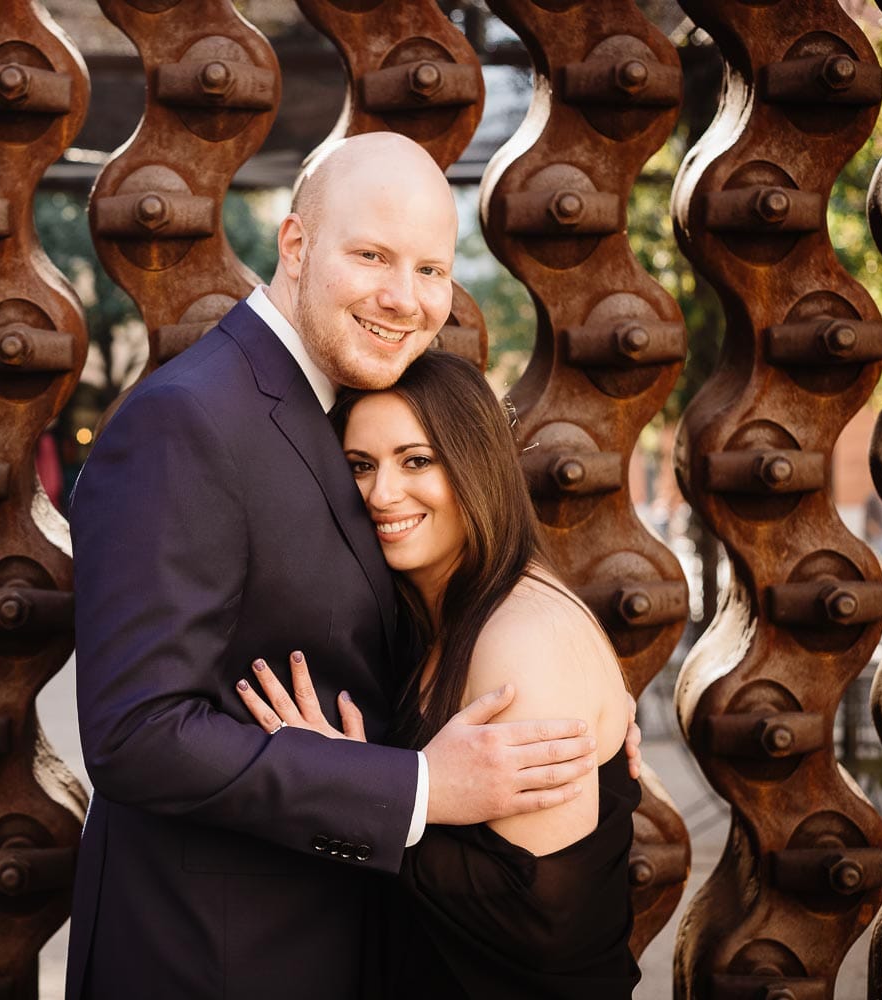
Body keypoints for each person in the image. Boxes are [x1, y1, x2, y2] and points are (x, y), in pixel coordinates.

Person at [67, 132, 638, 999]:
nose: (403, 299)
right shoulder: (189, 422)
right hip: (214, 961)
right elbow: (136, 734)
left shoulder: (342, 410)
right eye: (371, 255)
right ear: (295, 246)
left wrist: (578, 702)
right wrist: (416, 786)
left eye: (432, 271)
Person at [239, 350, 640, 998]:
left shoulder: (522, 639)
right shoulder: (438, 615)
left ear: (476, 463)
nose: (382, 493)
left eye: (416, 459)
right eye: (360, 466)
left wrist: (351, 789)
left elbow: (542, 923)